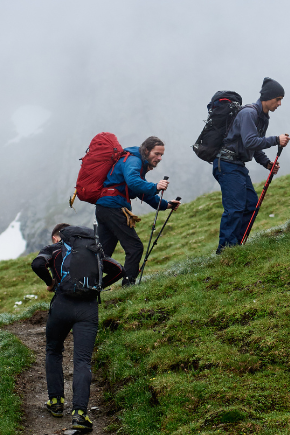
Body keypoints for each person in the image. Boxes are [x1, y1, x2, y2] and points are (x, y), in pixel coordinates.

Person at [35, 223, 123, 432]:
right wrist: (97, 287)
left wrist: (51, 282)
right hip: (88, 309)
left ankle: (56, 402)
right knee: (82, 360)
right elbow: (118, 269)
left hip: (61, 306)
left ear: (59, 237)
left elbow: (37, 264)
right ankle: (79, 414)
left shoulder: (55, 249)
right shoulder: (93, 248)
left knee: (53, 350)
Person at [213, 78, 289, 253]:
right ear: (267, 97)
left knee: (251, 205)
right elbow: (250, 141)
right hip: (226, 164)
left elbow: (253, 145)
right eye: (277, 99)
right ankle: (225, 251)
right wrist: (276, 140)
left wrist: (266, 163)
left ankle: (236, 247)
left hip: (237, 164)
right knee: (235, 208)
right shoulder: (249, 113)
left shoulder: (263, 117)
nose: (279, 103)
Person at [94, 136, 177, 285]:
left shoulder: (135, 161)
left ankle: (90, 287)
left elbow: (142, 192)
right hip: (113, 207)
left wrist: (167, 205)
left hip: (104, 207)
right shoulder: (134, 160)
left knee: (102, 254)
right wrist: (155, 186)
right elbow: (133, 182)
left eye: (161, 155)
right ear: (146, 150)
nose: (159, 158)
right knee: (135, 247)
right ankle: (128, 286)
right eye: (157, 154)